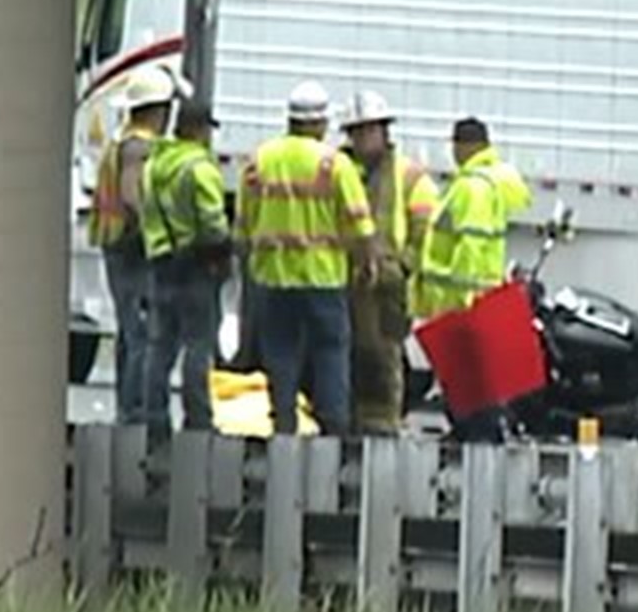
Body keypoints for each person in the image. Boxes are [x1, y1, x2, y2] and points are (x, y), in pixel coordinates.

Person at [237, 80, 380, 436]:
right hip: (323, 280)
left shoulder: (260, 161)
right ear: (320, 122)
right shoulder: (334, 165)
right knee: (330, 352)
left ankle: (283, 425)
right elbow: (360, 225)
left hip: (273, 279)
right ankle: (333, 431)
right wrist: (367, 263)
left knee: (280, 355)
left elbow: (243, 226)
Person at [340, 91, 439, 434]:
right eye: (358, 131)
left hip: (387, 285)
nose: (364, 138)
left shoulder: (408, 174)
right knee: (344, 359)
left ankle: (382, 425)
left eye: (370, 130)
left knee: (382, 359)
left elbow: (425, 226)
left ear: (385, 131)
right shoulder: (339, 169)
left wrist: (403, 267)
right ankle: (347, 425)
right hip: (343, 281)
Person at [87, 64, 177, 426]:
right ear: (159, 110)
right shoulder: (140, 147)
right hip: (134, 248)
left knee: (130, 331)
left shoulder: (121, 140)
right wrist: (159, 233)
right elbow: (132, 195)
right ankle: (135, 413)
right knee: (144, 333)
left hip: (116, 244)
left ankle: (127, 409)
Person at [138, 99, 228, 437]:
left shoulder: (154, 164)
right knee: (198, 344)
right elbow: (212, 222)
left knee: (160, 347)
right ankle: (198, 419)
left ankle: (154, 418)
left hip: (161, 264)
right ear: (198, 129)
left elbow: (146, 214)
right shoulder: (199, 168)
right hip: (196, 266)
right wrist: (221, 251)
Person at [413, 117, 532, 320]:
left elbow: (471, 246)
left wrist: (458, 305)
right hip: (478, 299)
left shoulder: (473, 187)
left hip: (461, 303)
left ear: (464, 147)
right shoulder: (489, 179)